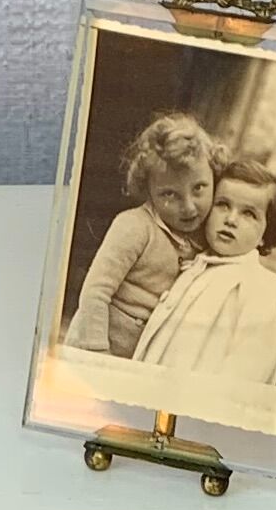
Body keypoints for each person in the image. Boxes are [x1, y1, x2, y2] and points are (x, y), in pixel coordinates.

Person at [63, 114, 218, 355]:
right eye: (170, 194)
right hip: (97, 350)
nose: (188, 207)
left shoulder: (208, 236)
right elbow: (95, 292)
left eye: (198, 188)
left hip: (146, 358)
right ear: (148, 191)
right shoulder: (135, 227)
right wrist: (97, 352)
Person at [133, 158, 276, 395]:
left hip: (195, 404)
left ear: (264, 235)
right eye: (223, 205)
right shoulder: (194, 265)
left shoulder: (260, 285)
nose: (231, 219)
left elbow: (249, 373)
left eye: (248, 213)